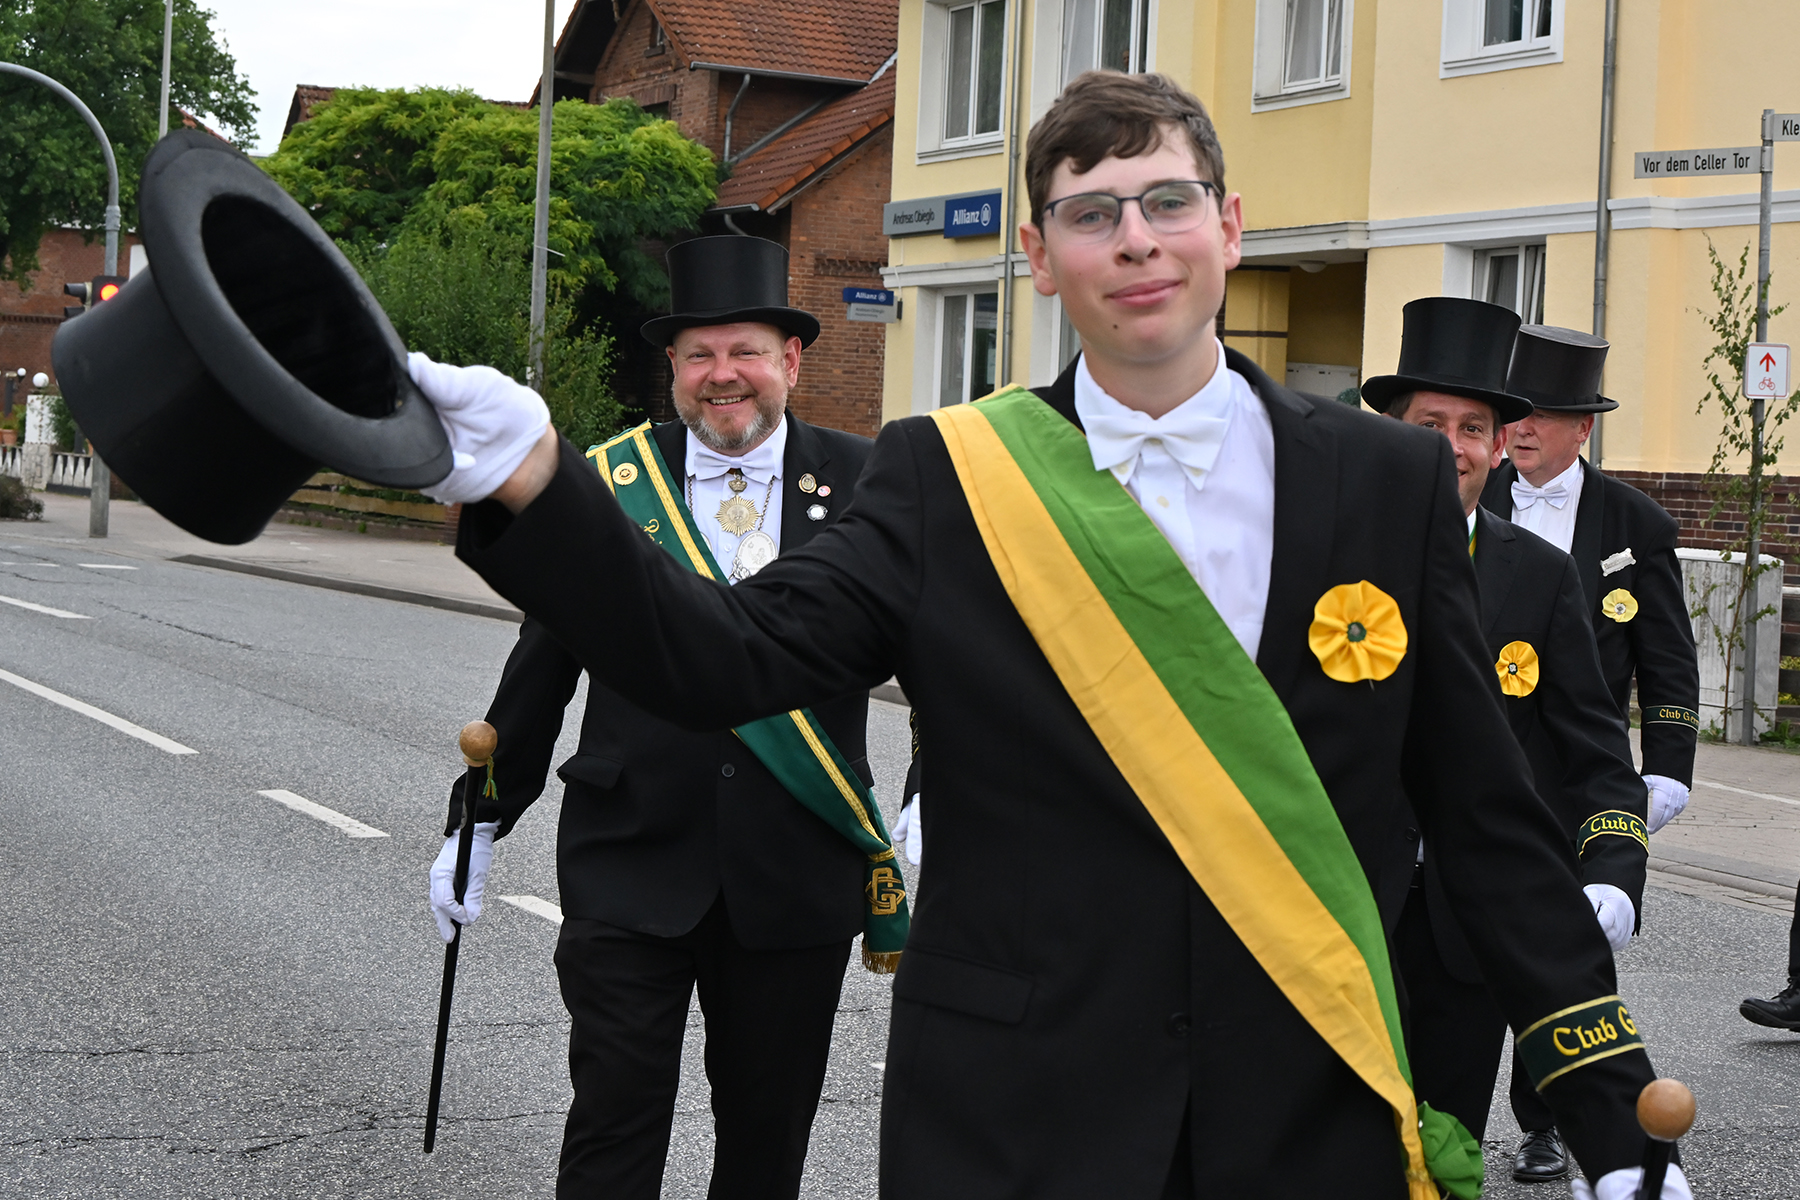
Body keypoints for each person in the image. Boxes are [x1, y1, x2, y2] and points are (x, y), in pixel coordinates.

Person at [416, 73, 1686, 1199]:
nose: (1136, 239)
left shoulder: (1384, 482)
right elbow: (719, 657)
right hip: (1014, 1115)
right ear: (1037, 254)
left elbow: (1483, 815)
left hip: (1303, 1103)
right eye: (1091, 213)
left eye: (1169, 201)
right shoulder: (945, 477)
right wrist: (530, 479)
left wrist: (1607, 1106)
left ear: (1230, 227)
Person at [425, 236, 893, 1199]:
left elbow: (933, 643)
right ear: (672, 368)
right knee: (613, 1123)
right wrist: (480, 818)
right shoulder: (609, 482)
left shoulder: (865, 483)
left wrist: (941, 782)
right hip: (630, 858)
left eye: (746, 351)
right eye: (698, 355)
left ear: (790, 361)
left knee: (765, 1145)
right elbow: (545, 658)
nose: (723, 376)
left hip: (796, 867)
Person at [1365, 297, 1650, 1162]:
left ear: (1498, 448)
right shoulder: (1327, 550)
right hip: (1343, 904)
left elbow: (1596, 747)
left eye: (1473, 428)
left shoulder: (1542, 574)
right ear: (1391, 433)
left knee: (1446, 1146)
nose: (1452, 446)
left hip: (1467, 920)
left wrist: (1614, 868)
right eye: (1430, 424)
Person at [1480, 325, 1701, 1181]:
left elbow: (1667, 656)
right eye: (1516, 414)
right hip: (1485, 765)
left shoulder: (1634, 523)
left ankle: (1545, 1118)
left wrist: (1668, 766)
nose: (1524, 429)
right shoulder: (1467, 497)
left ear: (1584, 428)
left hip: (1579, 778)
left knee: (1567, 955)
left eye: (1544, 415)